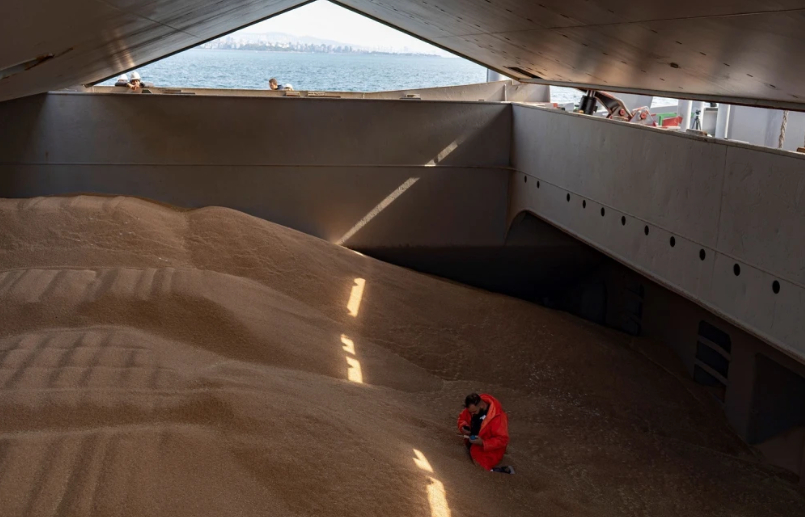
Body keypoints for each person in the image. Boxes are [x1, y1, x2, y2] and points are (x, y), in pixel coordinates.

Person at [457, 393, 514, 474]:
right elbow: (462, 418)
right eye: (471, 412)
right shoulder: (472, 408)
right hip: (472, 443)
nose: (472, 414)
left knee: (481, 468)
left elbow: (503, 440)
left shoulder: (499, 417)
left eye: (474, 412)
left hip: (489, 450)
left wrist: (483, 443)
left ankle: (500, 471)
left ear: (482, 406)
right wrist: (463, 426)